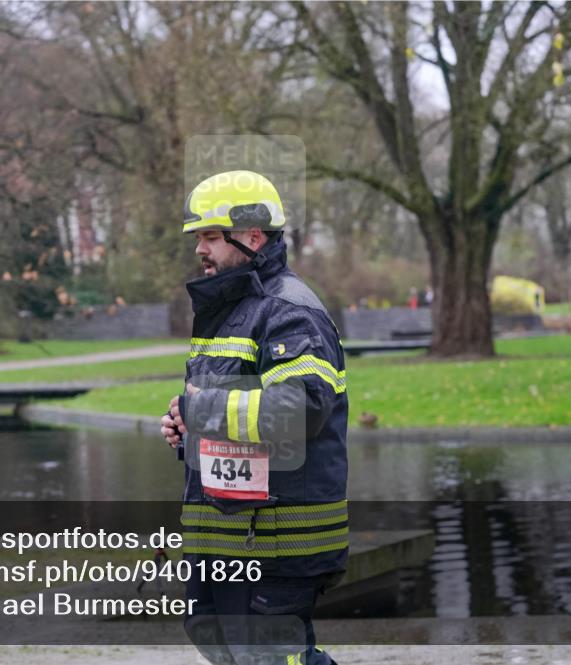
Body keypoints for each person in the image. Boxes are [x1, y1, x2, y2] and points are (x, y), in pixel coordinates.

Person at [161, 170, 348, 665]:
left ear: (252, 237)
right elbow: (228, 416)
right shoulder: (227, 311)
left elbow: (300, 409)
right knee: (218, 642)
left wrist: (200, 409)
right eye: (197, 237)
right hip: (223, 532)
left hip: (277, 537)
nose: (200, 249)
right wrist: (185, 431)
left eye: (210, 236)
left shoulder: (290, 311)